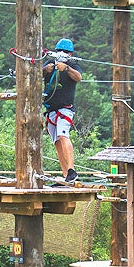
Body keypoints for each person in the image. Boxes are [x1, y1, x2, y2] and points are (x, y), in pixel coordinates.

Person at [42, 39, 82, 184]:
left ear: (70, 54)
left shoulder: (73, 65)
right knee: (57, 142)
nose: (62, 54)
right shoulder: (49, 63)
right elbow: (36, 74)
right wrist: (46, 70)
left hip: (65, 109)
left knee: (63, 136)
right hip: (51, 109)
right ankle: (66, 176)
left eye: (66, 52)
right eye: (60, 51)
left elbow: (78, 77)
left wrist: (66, 68)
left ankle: (72, 170)